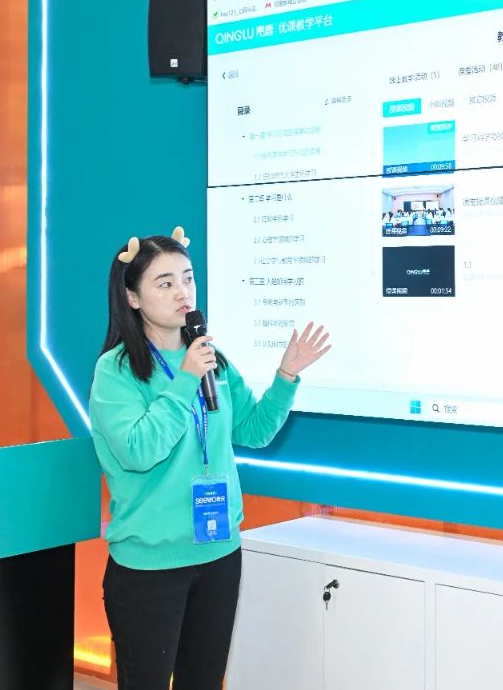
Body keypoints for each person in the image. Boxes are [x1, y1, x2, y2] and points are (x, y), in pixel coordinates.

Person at [89, 227, 331, 690]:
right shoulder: (117, 370)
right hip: (149, 564)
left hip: (218, 553)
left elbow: (254, 431)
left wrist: (285, 376)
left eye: (188, 278)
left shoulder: (209, 357)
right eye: (165, 283)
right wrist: (184, 381)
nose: (183, 292)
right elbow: (139, 451)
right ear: (132, 297)